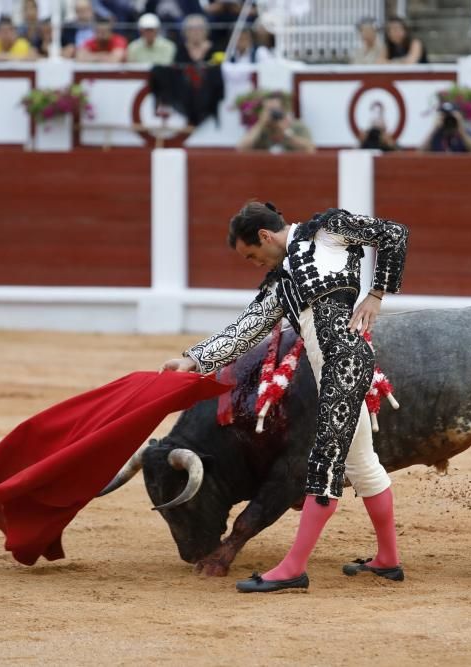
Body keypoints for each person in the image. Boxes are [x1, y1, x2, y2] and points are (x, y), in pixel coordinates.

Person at [161, 201, 409, 593]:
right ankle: (388, 559)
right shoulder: (281, 283)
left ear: (264, 235)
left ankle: (293, 567)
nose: (254, 262)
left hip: (343, 364)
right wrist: (193, 360)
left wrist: (376, 293)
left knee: (323, 466)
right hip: (334, 368)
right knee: (362, 465)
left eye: (251, 254)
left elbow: (393, 234)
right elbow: (245, 329)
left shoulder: (329, 230)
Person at [237, 91, 315, 153]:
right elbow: (241, 149)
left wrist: (285, 131)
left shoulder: (297, 126)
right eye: (268, 110)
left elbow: (309, 148)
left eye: (274, 110)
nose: (272, 114)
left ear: (284, 110)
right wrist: (260, 124)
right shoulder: (261, 129)